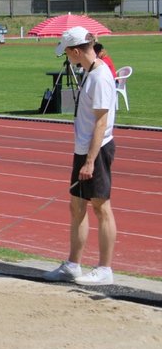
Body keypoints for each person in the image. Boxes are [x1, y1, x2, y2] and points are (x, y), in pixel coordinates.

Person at [44, 26, 117, 285]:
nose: (66, 58)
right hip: (83, 149)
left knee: (101, 206)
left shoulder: (100, 77)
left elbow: (101, 122)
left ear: (76, 51)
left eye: (66, 53)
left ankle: (105, 268)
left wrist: (90, 161)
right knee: (76, 206)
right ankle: (73, 265)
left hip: (96, 151)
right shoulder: (89, 72)